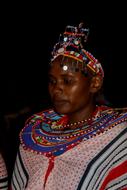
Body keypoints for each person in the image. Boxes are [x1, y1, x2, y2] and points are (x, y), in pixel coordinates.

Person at [11, 22, 127, 190]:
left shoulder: (115, 137)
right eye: (52, 81)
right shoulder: (33, 136)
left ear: (94, 83)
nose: (57, 88)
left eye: (67, 81)